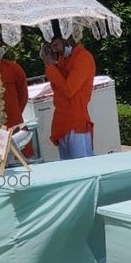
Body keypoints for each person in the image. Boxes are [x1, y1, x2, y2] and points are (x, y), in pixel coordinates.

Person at [40, 21, 96, 160]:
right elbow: (56, 88)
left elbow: (69, 90)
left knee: (83, 171)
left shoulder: (83, 57)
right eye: (51, 47)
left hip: (76, 124)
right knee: (68, 172)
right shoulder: (63, 58)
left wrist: (50, 66)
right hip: (62, 123)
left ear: (67, 37)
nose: (55, 50)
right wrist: (52, 65)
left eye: (56, 45)